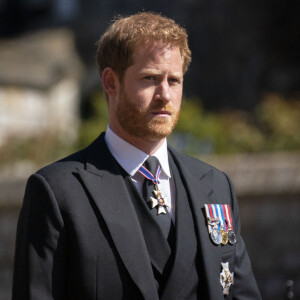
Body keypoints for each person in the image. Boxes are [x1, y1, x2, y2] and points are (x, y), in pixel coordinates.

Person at [12, 12, 261, 300]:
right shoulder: (58, 192)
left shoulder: (216, 187)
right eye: (150, 78)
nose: (165, 95)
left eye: (174, 80)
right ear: (110, 82)